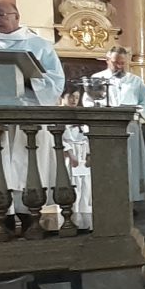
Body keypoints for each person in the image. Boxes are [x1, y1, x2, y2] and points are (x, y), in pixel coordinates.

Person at [0, 0, 66, 225]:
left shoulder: (38, 45)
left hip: (28, 114)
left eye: (1, 14)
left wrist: (27, 79)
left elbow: (56, 82)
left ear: (16, 17)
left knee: (26, 163)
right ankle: (1, 214)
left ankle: (29, 212)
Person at [83, 46, 145, 203]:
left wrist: (136, 111)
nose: (119, 67)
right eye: (115, 63)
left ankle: (129, 200)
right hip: (105, 129)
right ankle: (108, 200)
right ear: (108, 60)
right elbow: (87, 102)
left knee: (130, 165)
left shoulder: (135, 81)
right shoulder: (97, 79)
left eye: (122, 63)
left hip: (130, 128)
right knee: (109, 166)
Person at [60, 86, 92, 216]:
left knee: (86, 188)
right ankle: (73, 217)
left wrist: (89, 153)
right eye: (71, 97)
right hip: (69, 155)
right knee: (73, 187)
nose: (74, 100)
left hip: (83, 154)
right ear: (63, 97)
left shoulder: (80, 114)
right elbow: (59, 137)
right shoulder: (58, 115)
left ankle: (85, 217)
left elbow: (87, 135)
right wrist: (70, 153)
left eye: (77, 97)